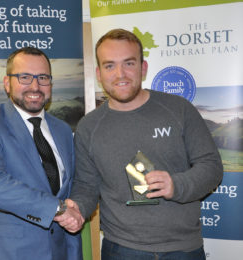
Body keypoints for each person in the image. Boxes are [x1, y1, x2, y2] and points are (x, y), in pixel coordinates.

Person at [69, 29, 223, 259]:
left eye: (128, 63)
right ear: (99, 74)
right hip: (121, 249)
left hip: (183, 249)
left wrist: (176, 185)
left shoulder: (179, 110)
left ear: (143, 68)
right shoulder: (88, 127)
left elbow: (211, 167)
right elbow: (86, 186)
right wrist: (78, 208)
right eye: (110, 66)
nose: (120, 74)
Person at [0, 47, 84, 260]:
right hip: (8, 253)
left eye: (42, 77)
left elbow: (70, 190)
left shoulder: (63, 130)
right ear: (7, 83)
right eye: (24, 77)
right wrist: (57, 210)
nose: (35, 86)